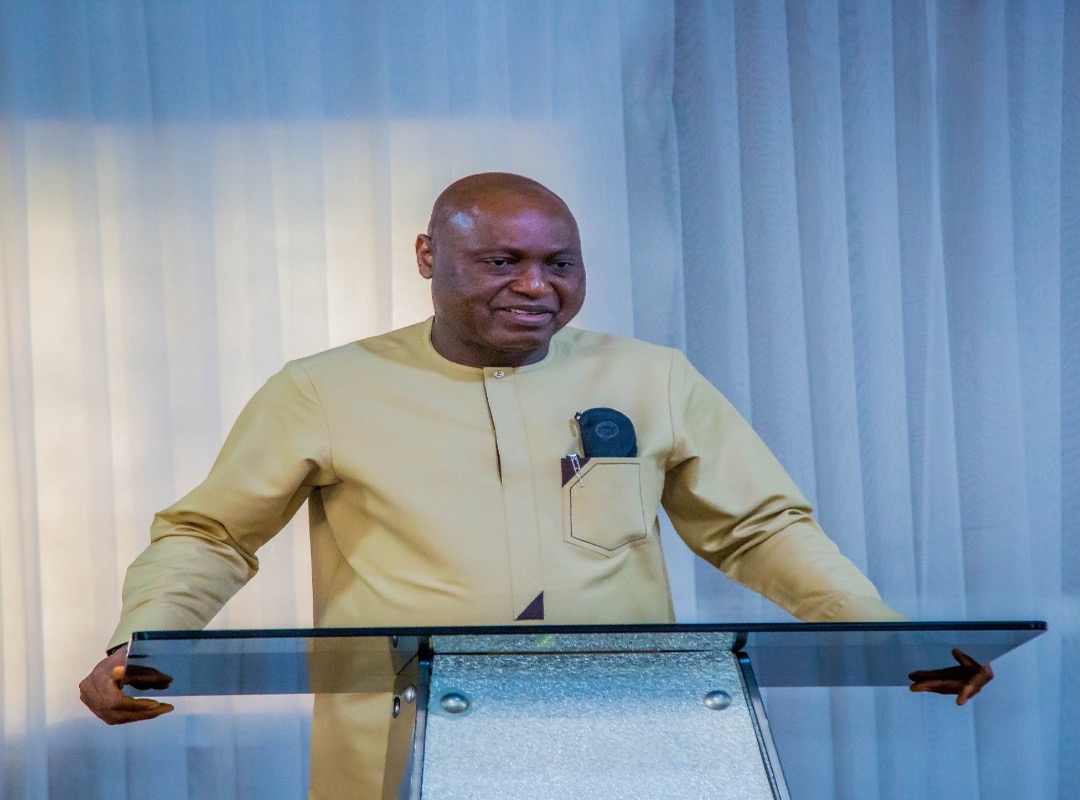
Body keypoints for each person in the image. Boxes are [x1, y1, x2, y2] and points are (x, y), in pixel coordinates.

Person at [80, 172, 992, 794]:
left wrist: (882, 635)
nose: (535, 287)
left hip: (624, 733)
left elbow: (759, 529)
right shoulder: (323, 389)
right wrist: (140, 640)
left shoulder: (652, 377)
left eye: (559, 264)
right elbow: (212, 534)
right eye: (501, 262)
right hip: (408, 740)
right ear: (428, 256)